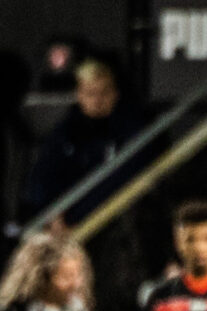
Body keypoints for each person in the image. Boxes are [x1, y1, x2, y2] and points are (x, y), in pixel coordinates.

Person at [22, 58, 150, 230]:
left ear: (115, 94)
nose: (97, 100)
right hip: (64, 226)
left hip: (113, 223)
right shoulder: (65, 133)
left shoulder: (131, 132)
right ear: (79, 95)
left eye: (104, 92)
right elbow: (42, 179)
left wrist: (82, 217)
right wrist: (53, 215)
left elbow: (124, 178)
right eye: (90, 93)